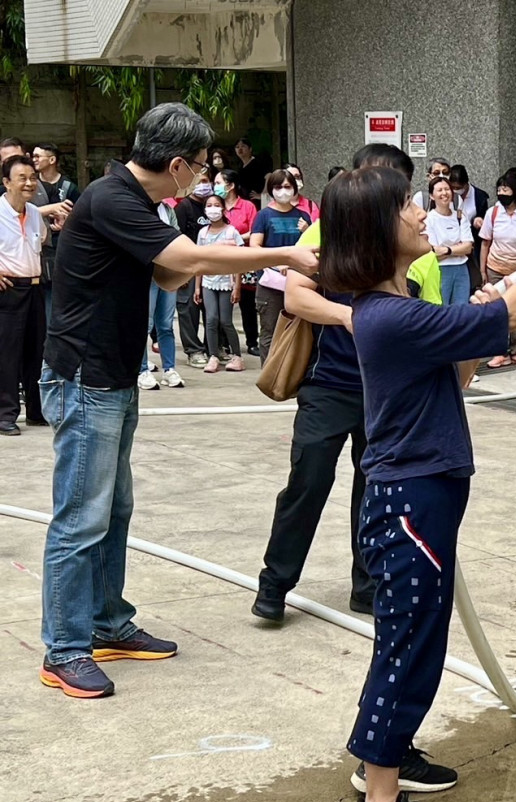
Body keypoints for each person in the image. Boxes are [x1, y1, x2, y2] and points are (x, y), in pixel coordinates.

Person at [319, 163, 516, 802]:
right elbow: (505, 318)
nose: (422, 213)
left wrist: (483, 325)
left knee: (407, 637)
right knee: (411, 644)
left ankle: (382, 759)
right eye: (405, 208)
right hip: (411, 499)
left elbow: (460, 364)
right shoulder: (387, 314)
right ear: (374, 230)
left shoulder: (398, 308)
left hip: (423, 492)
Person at [38, 102, 318, 699]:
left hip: (111, 375)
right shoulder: (112, 198)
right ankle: (64, 649)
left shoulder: (138, 203)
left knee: (112, 512)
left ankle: (108, 623)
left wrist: (198, 249)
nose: (204, 176)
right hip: (84, 377)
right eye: (198, 166)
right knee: (79, 519)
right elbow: (186, 263)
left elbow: (168, 273)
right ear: (175, 163)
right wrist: (281, 253)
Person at [255, 143, 416, 625]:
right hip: (328, 388)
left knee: (375, 492)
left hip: (383, 394)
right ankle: (274, 584)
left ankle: (367, 586)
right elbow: (299, 300)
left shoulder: (409, 251)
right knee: (307, 485)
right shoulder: (327, 240)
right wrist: (354, 318)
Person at [0, 155, 50, 435]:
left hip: (34, 288)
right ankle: (5, 414)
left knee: (36, 350)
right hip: (8, 291)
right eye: (22, 178)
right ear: (6, 182)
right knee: (7, 354)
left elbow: (40, 242)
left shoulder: (33, 213)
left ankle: (35, 411)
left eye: (33, 177)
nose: (30, 183)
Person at [251, 169, 312, 362]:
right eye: (278, 187)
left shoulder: (303, 216)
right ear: (271, 190)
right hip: (270, 283)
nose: (283, 191)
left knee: (297, 330)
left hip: (299, 282)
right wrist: (278, 263)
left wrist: (307, 230)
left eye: (287, 186)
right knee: (269, 330)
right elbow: (255, 246)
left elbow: (312, 247)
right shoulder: (263, 216)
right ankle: (269, 374)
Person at [479, 173, 516, 368]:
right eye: (499, 189)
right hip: (495, 267)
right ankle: (498, 352)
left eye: (506, 189)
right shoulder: (492, 213)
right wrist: (483, 270)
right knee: (496, 311)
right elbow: (485, 243)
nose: (501, 193)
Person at [137, 200, 187, 390]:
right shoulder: (138, 206)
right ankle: (142, 370)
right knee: (145, 323)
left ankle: (169, 369)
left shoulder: (167, 210)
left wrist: (179, 272)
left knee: (165, 325)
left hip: (167, 273)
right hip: (146, 276)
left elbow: (176, 238)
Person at [170, 164, 214, 369]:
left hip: (212, 267)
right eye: (199, 181)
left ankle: (213, 347)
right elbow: (176, 238)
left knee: (212, 310)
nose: (202, 185)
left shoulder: (213, 206)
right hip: (188, 266)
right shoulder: (183, 207)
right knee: (188, 309)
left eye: (206, 181)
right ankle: (193, 349)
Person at [195, 194, 245, 372]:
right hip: (208, 281)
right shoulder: (203, 233)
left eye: (217, 205)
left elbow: (239, 261)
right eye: (209, 205)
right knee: (210, 319)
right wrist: (197, 287)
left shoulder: (232, 231)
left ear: (223, 209)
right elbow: (199, 261)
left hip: (226, 282)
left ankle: (237, 356)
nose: (213, 208)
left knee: (226, 321)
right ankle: (213, 356)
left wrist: (237, 287)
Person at [31, 143, 80, 322]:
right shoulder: (31, 185)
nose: (34, 160)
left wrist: (68, 223)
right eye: (33, 156)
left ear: (52, 160)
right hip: (35, 251)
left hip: (62, 251)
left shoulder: (69, 187)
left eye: (38, 156)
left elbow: (81, 218)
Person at [215, 168, 261, 355]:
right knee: (223, 303)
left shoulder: (248, 206)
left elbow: (255, 230)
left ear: (231, 185)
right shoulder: (215, 206)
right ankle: (224, 343)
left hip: (243, 259)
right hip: (221, 261)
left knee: (247, 303)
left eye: (218, 183)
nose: (215, 186)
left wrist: (236, 238)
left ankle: (252, 341)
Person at [425, 175, 475, 305]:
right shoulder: (428, 219)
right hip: (440, 269)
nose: (444, 193)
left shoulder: (459, 216)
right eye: (439, 190)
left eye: (447, 189)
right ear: (431, 195)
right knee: (441, 307)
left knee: (461, 309)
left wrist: (446, 250)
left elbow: (468, 247)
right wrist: (458, 248)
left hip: (461, 269)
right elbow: (433, 252)